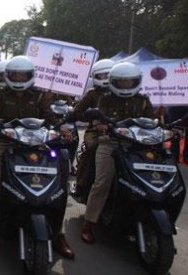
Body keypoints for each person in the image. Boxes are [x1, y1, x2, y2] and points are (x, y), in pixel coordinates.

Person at [0, 56, 75, 260]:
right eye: (16, 74)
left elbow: (50, 117)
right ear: (9, 76)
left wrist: (61, 127)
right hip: (7, 142)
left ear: (30, 76)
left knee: (59, 184)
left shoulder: (39, 95)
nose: (19, 78)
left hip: (37, 142)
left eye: (23, 74)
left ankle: (59, 234)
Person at [80, 62, 154, 244]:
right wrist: (101, 125)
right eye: (122, 82)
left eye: (129, 82)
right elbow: (97, 118)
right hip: (111, 143)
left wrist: (163, 125)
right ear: (114, 82)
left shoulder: (143, 99)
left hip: (137, 145)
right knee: (102, 181)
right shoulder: (105, 98)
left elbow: (153, 121)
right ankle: (89, 223)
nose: (126, 85)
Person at [73, 58, 115, 192]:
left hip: (121, 131)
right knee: (91, 149)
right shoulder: (92, 93)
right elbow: (78, 112)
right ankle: (81, 183)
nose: (105, 78)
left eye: (108, 75)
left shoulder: (120, 93)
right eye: (101, 75)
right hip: (95, 131)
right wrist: (93, 120)